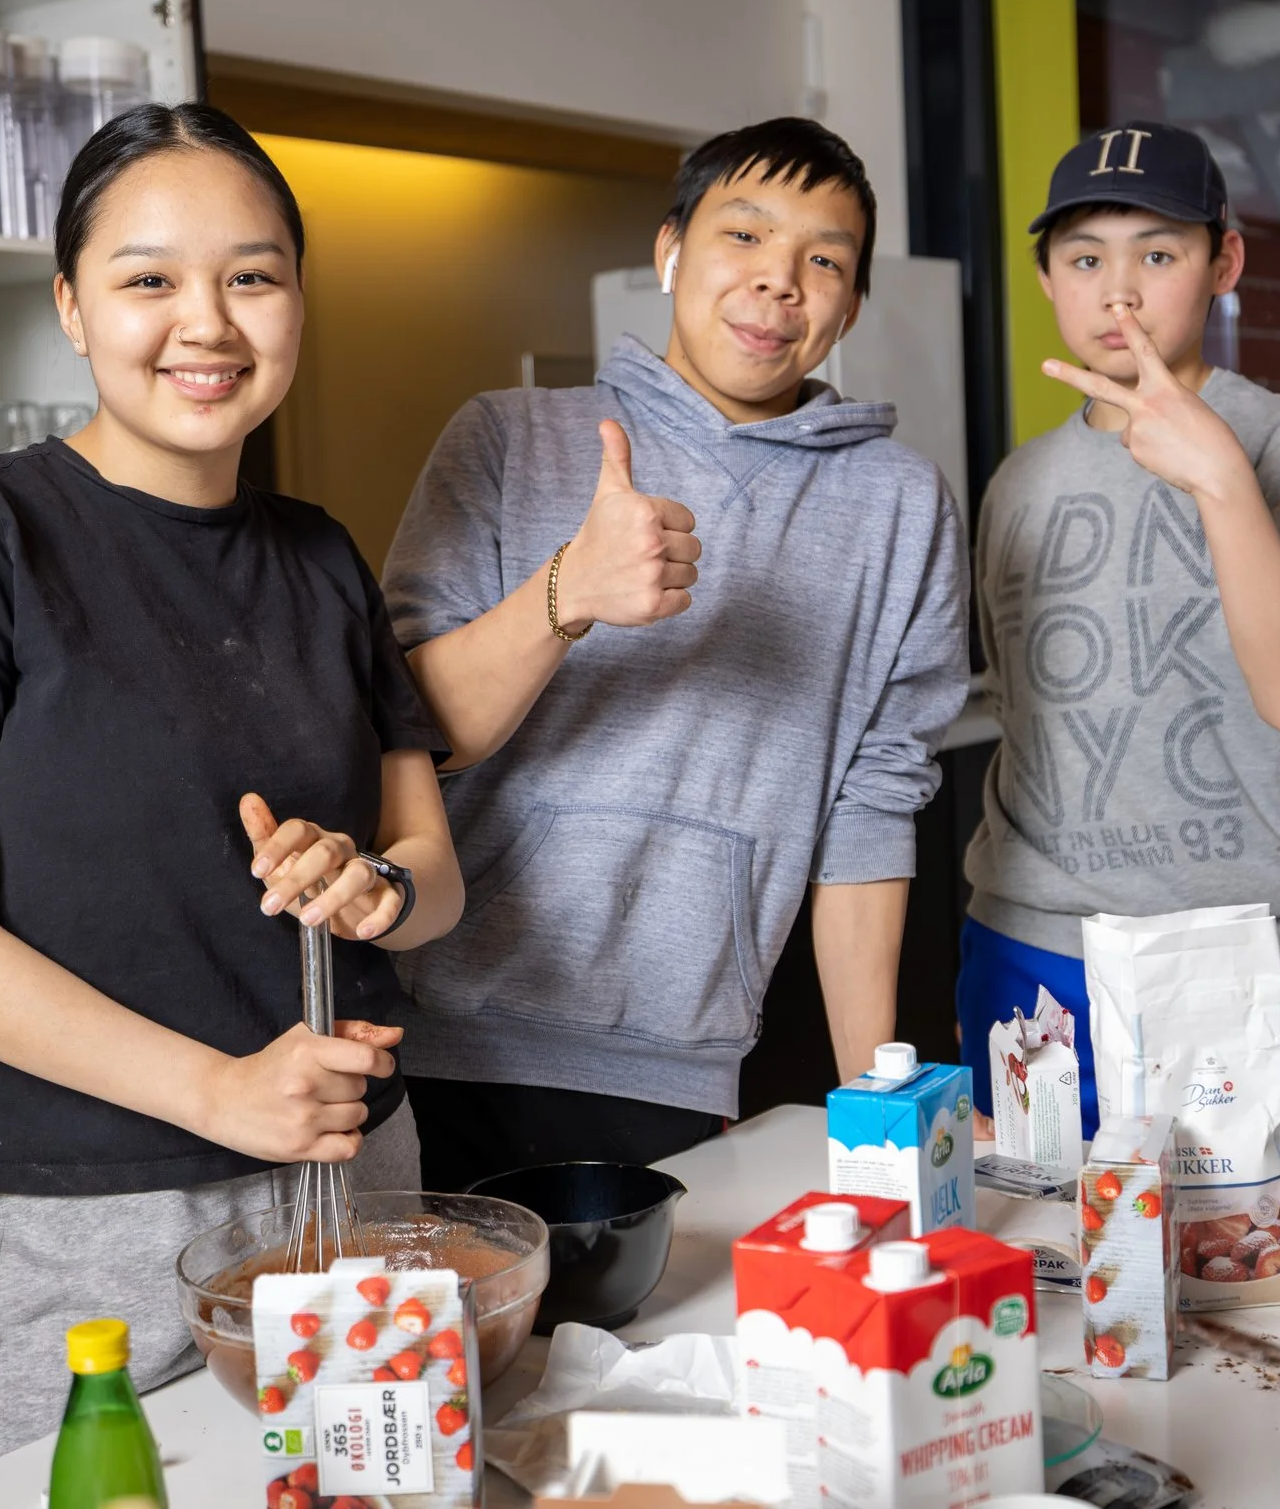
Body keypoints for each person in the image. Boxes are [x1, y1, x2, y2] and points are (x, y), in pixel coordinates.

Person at [0, 104, 463, 1459]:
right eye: (149, 278)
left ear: (295, 300)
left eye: (252, 275)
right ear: (71, 305)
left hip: (354, 1164)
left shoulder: (320, 555)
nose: (207, 322)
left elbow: (432, 871)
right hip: (86, 1210)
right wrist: (220, 1093)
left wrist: (373, 888)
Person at [381, 117, 968, 1190]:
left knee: (654, 1355)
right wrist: (570, 595)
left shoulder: (901, 504)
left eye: (823, 260)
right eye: (743, 236)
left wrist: (873, 1109)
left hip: (686, 1055)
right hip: (446, 1043)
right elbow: (409, 736)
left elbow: (872, 804)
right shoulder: (509, 437)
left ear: (849, 308)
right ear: (668, 253)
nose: (779, 281)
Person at [958, 121, 1280, 1163]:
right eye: (1086, 258)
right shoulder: (1016, 481)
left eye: (1158, 253)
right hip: (1027, 944)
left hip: (1227, 949)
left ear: (1223, 264)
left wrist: (1220, 476)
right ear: (1047, 279)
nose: (1119, 291)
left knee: (1235, 1284)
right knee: (1035, 1266)